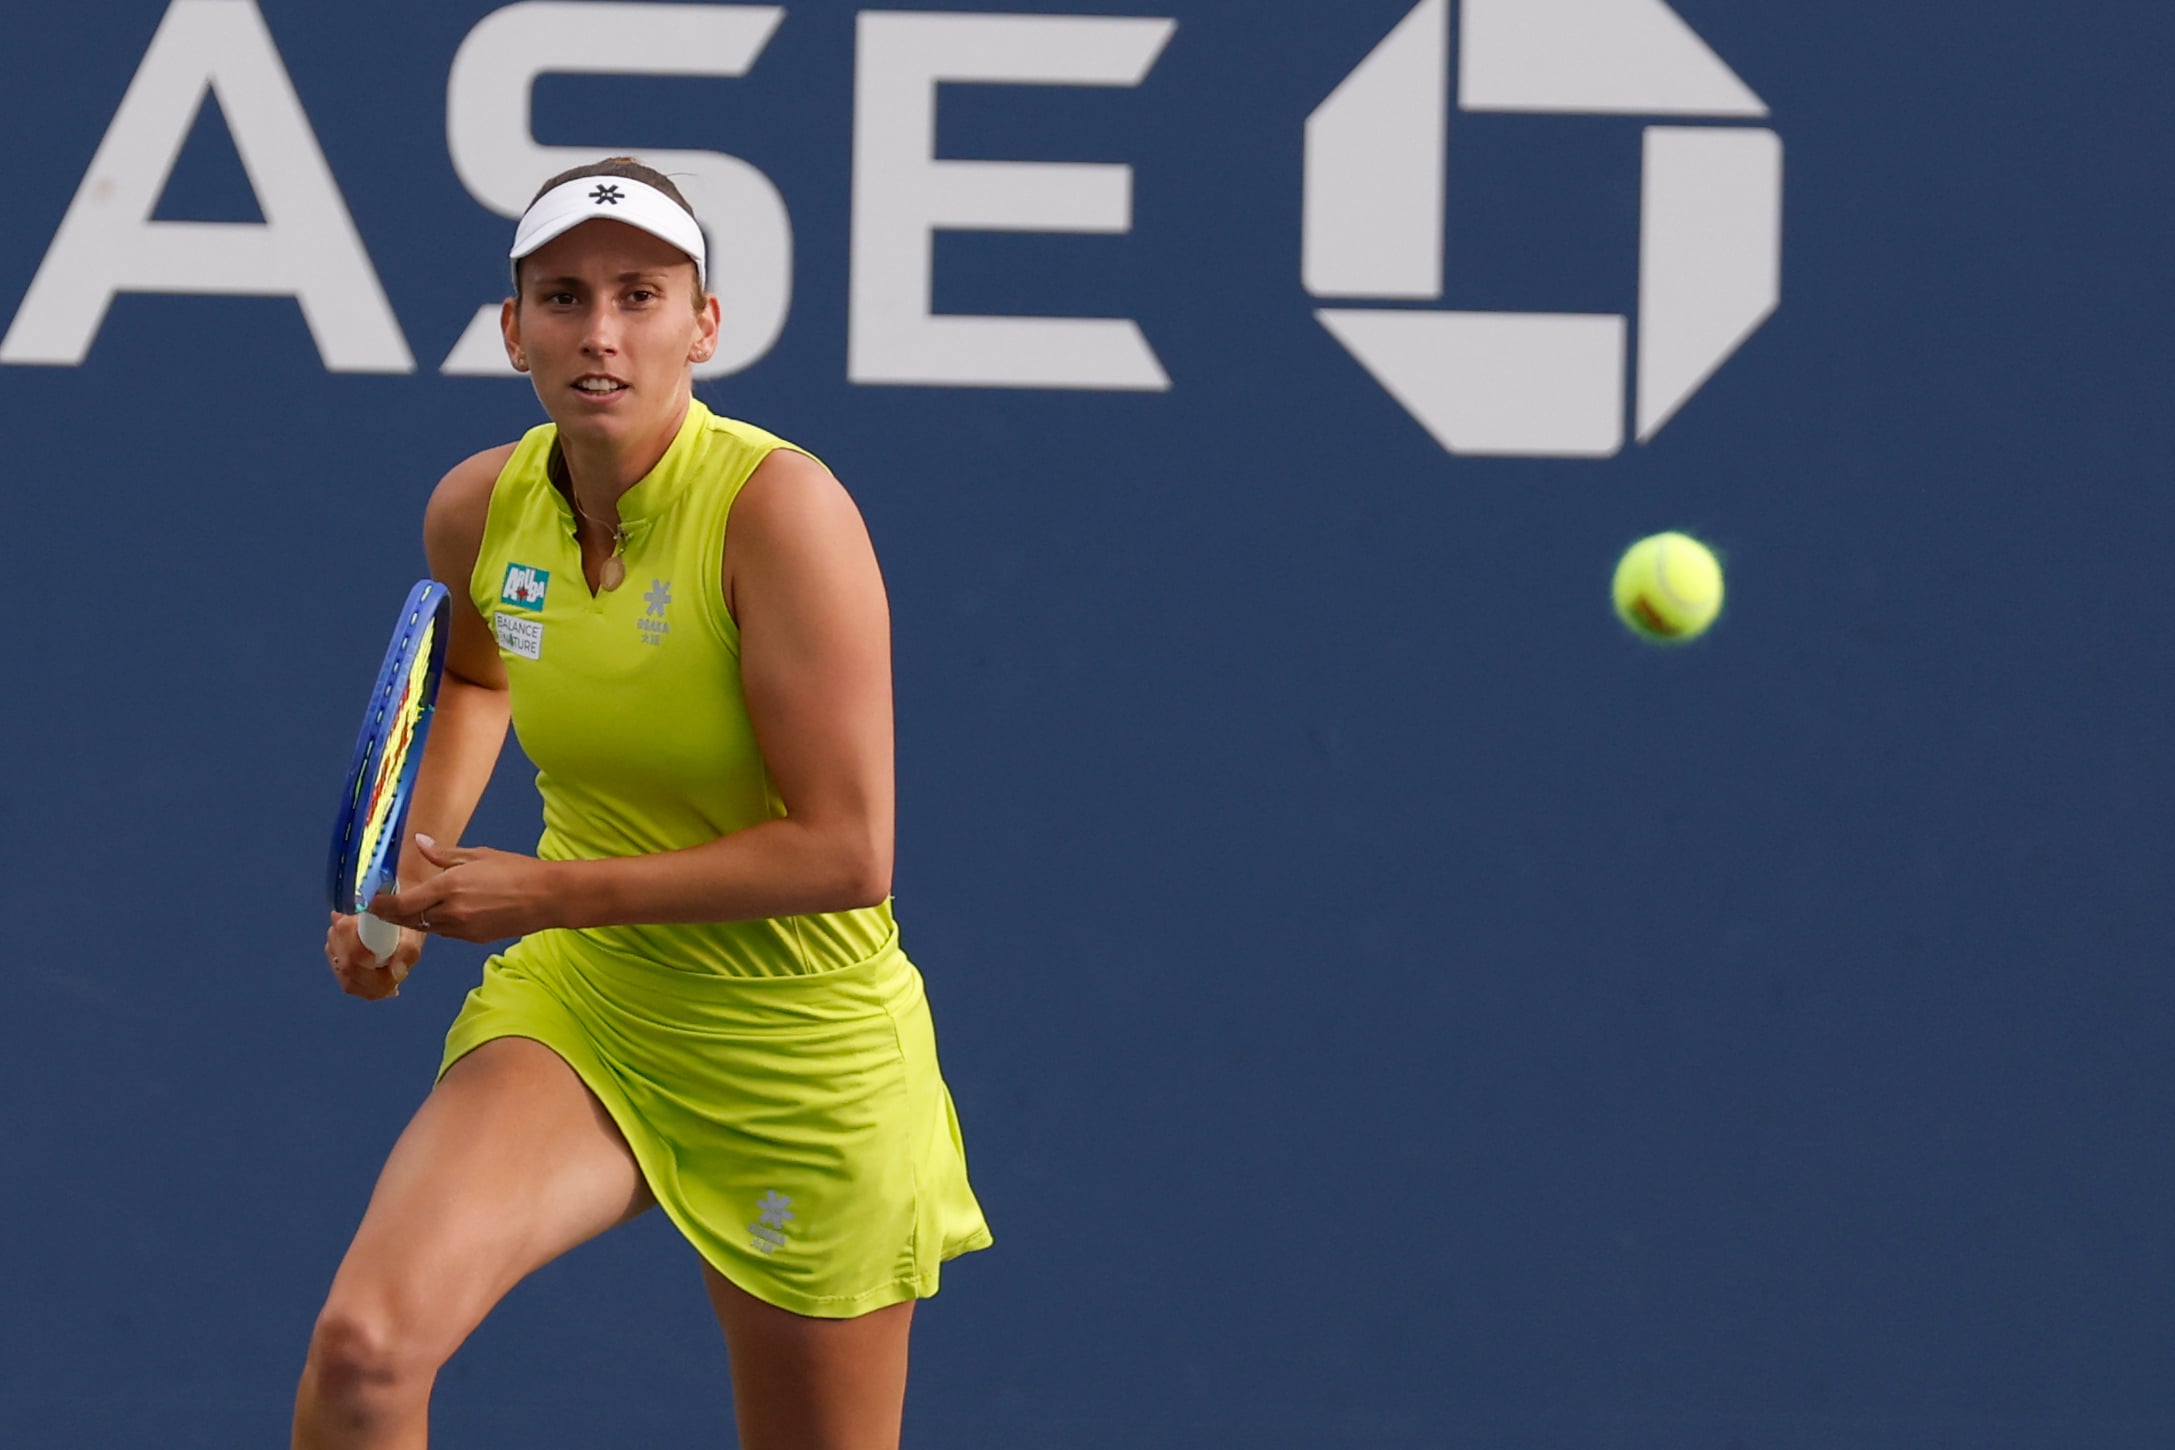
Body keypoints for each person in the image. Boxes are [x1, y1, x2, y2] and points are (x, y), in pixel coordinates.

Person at [296, 156, 992, 1450]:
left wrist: (541, 890)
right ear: (514, 332)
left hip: (800, 1049)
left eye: (639, 294)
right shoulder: (479, 511)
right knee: (364, 1353)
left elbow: (850, 850)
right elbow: (472, 671)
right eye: (562, 297)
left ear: (703, 323)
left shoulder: (782, 515)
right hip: (590, 1005)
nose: (600, 333)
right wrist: (412, 883)